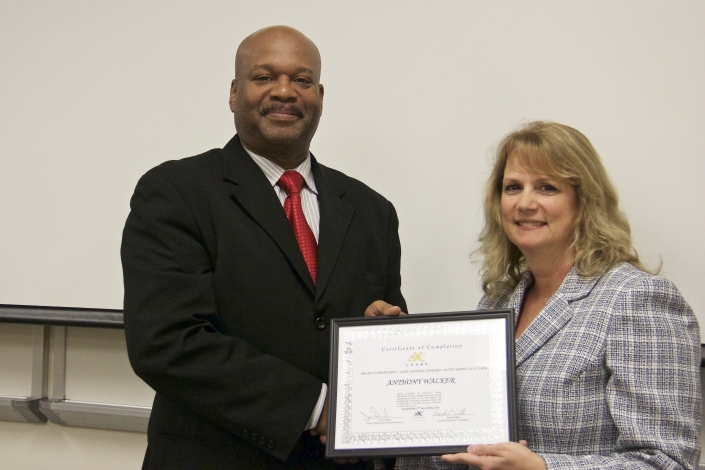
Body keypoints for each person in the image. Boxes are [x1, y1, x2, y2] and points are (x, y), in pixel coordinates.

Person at [121, 26, 406, 469]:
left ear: (320, 96)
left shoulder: (373, 211)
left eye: (302, 80)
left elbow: (382, 342)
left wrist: (380, 340)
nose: (285, 92)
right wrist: (316, 405)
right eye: (264, 77)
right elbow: (166, 341)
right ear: (235, 93)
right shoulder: (176, 192)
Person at [391, 121, 700, 469]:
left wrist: (542, 468)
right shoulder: (497, 302)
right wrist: (392, 367)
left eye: (547, 187)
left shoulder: (638, 298)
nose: (525, 203)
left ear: (583, 201)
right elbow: (464, 443)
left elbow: (668, 460)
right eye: (513, 187)